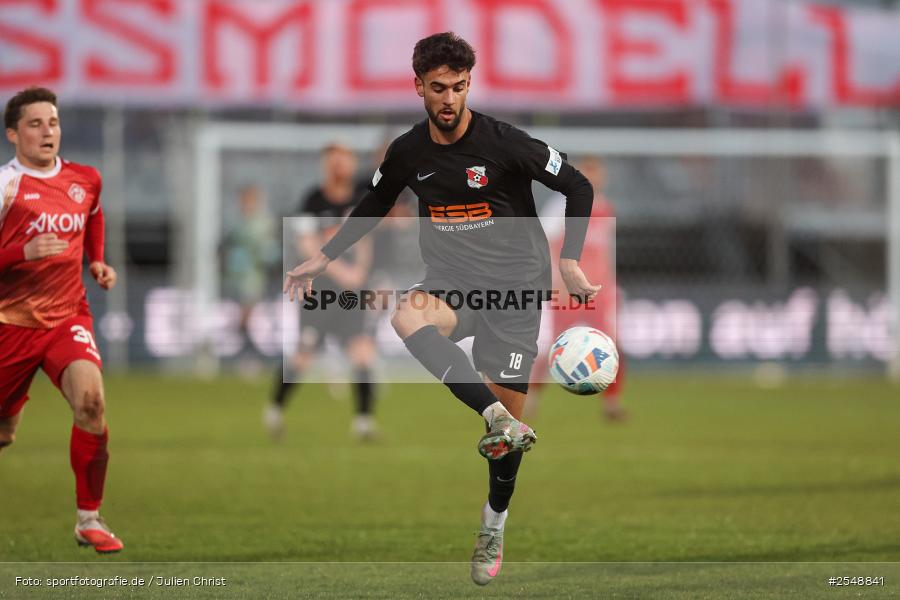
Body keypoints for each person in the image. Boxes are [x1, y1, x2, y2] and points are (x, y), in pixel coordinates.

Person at [284, 33, 597, 585]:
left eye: (457, 87)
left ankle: (493, 520)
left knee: (505, 450)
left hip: (515, 293)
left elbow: (577, 185)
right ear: (418, 88)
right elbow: (376, 202)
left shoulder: (505, 143)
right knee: (406, 315)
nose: (448, 99)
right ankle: (492, 415)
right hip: (453, 282)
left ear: (469, 84)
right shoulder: (408, 151)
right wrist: (325, 256)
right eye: (437, 89)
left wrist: (569, 260)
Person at [0, 87, 123, 553]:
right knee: (4, 433)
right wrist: (20, 253)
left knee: (91, 403)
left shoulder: (85, 178)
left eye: (52, 122)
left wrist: (96, 261)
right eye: (35, 123)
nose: (47, 131)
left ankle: (89, 518)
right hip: (9, 324)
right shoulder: (5, 186)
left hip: (67, 316)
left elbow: (93, 214)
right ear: (13, 134)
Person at [267, 142, 379, 440]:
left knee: (362, 353)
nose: (339, 166)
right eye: (333, 161)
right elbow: (307, 245)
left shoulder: (361, 199)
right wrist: (343, 273)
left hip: (353, 293)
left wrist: (360, 274)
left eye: (344, 160)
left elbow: (366, 240)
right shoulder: (312, 201)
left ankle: (364, 423)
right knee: (302, 356)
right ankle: (275, 411)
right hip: (319, 293)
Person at [531, 156, 627, 421]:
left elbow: (604, 250)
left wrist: (609, 282)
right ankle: (531, 397)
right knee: (558, 346)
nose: (594, 179)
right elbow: (544, 243)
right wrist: (557, 279)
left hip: (599, 290)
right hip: (569, 289)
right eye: (588, 173)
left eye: (597, 173)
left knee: (612, 344)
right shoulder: (562, 205)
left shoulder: (605, 208)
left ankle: (612, 403)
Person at [221, 184, 279, 362]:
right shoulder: (238, 223)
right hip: (238, 277)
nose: (245, 204)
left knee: (250, 312)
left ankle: (248, 350)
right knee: (246, 313)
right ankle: (247, 348)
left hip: (257, 277)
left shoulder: (263, 223)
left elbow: (268, 251)